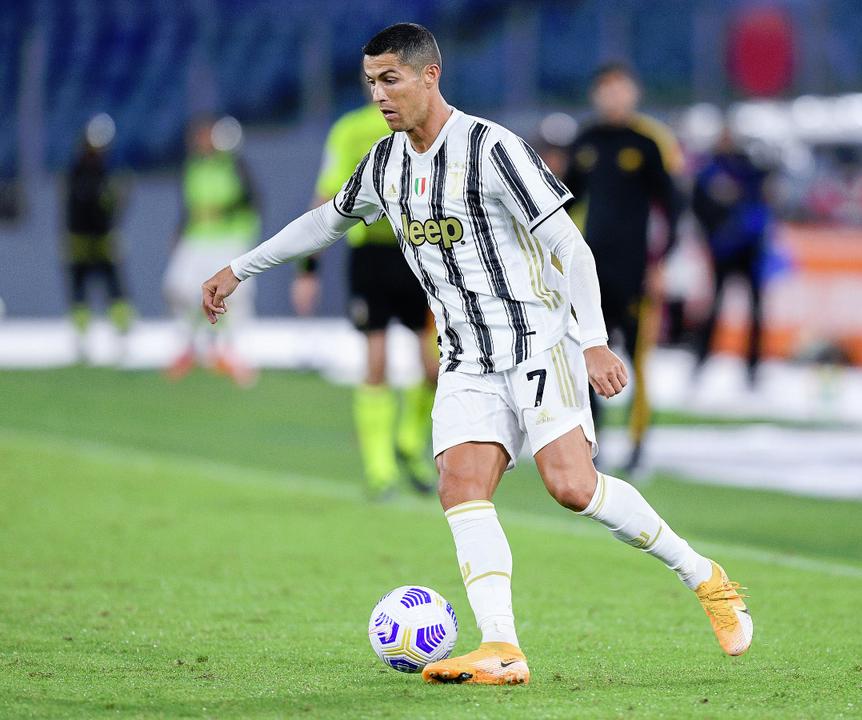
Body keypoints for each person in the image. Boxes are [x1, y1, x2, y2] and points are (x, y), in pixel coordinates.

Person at [202, 23, 751, 686]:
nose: (379, 95)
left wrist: (594, 340)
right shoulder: (384, 164)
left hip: (537, 343)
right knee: (460, 487)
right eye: (371, 82)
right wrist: (241, 268)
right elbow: (325, 222)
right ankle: (501, 647)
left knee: (572, 488)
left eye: (390, 79)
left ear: (429, 75)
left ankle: (705, 577)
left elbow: (570, 248)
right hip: (465, 358)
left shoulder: (492, 149)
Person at [292, 101, 438, 497]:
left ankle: (409, 441)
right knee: (377, 361)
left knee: (435, 367)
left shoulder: (427, 121)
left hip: (421, 252)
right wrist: (308, 268)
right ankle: (380, 469)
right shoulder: (350, 130)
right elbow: (326, 197)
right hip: (371, 257)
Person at [564, 63, 683, 477]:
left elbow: (673, 208)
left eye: (620, 89)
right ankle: (592, 443)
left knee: (638, 359)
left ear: (634, 94)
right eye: (606, 89)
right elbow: (563, 205)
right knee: (587, 355)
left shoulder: (649, 142)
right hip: (592, 274)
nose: (613, 97)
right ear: (596, 95)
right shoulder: (586, 141)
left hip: (636, 272)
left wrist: (660, 263)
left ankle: (637, 445)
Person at [164, 117, 260, 386]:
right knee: (178, 288)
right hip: (197, 239)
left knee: (237, 297)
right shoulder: (193, 167)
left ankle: (231, 352)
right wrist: (179, 231)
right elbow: (189, 206)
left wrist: (228, 215)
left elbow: (250, 200)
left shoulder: (235, 165)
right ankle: (190, 346)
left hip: (229, 239)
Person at [690, 128, 772, 388]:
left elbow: (763, 199)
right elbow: (698, 206)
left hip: (749, 250)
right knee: (714, 308)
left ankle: (753, 368)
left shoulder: (748, 168)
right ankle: (701, 360)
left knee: (755, 310)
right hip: (723, 249)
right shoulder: (710, 171)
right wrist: (713, 236)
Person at [63, 116, 133, 360]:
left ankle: (122, 336)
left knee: (114, 289)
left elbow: (114, 206)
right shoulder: (80, 170)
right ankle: (82, 339)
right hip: (82, 239)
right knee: (80, 291)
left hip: (101, 238)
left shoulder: (105, 170)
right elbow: (72, 208)